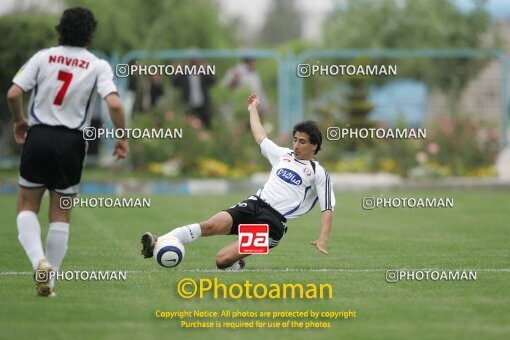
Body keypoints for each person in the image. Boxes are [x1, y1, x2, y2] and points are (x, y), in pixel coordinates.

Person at [6, 7, 129, 297]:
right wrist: (122, 137)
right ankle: (50, 283)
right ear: (90, 33)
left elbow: (13, 93)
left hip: (39, 136)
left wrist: (19, 121)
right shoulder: (97, 65)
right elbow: (113, 104)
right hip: (72, 143)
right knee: (60, 215)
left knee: (26, 207)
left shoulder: (43, 57)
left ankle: (39, 261)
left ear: (60, 29)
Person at [141, 93, 334, 270]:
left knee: (222, 260)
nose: (296, 145)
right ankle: (161, 240)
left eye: (302, 141)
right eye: (295, 139)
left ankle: (236, 263)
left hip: (272, 224)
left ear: (314, 145)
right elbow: (260, 136)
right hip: (254, 204)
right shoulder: (283, 155)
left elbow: (327, 209)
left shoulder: (319, 174)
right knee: (210, 225)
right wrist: (253, 109)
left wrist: (322, 239)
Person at [172, 59, 216, 129]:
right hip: (188, 103)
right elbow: (175, 84)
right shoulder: (183, 73)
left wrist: (209, 70)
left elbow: (212, 82)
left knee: (207, 125)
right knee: (188, 126)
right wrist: (175, 71)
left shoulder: (203, 72)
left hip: (202, 103)